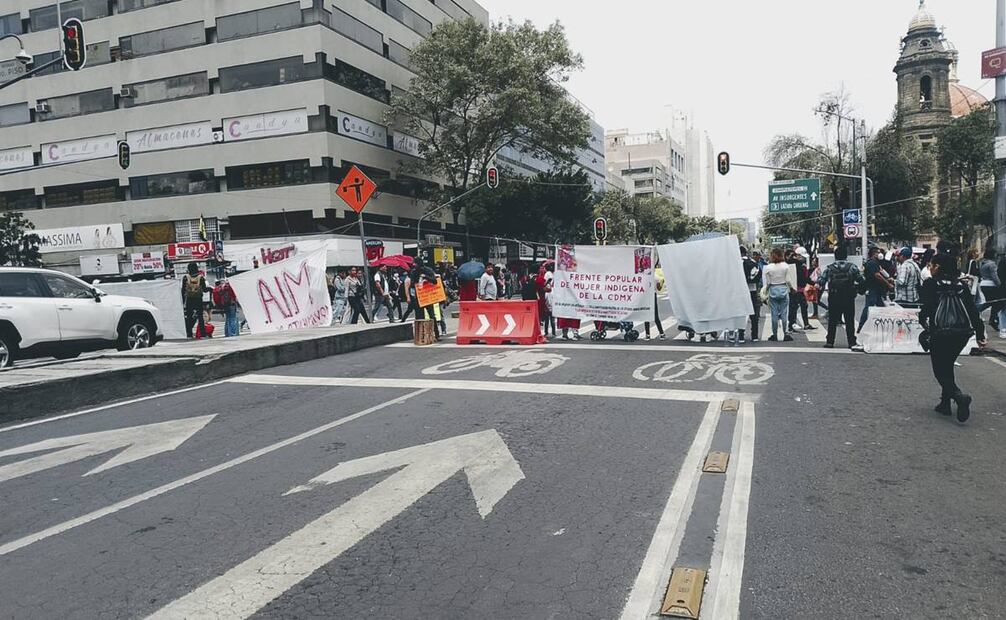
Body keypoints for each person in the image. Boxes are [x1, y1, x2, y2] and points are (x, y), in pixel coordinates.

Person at [919, 252, 986, 422]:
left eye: (931, 265)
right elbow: (972, 310)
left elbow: (927, 307)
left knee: (940, 371)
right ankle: (945, 404)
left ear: (937, 267)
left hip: (940, 332)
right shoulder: (961, 286)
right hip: (961, 334)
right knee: (947, 365)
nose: (930, 268)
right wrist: (980, 333)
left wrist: (923, 322)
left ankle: (958, 396)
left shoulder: (931, 283)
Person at [818, 245, 862, 349]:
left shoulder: (830, 268)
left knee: (832, 320)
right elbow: (861, 280)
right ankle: (851, 342)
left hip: (834, 296)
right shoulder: (852, 267)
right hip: (848, 297)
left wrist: (819, 276)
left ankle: (830, 341)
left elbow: (821, 281)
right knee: (849, 320)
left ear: (835, 256)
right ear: (846, 256)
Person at [760, 248, 796, 342]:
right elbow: (788, 280)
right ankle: (785, 334)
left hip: (773, 290)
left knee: (774, 314)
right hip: (783, 289)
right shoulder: (785, 266)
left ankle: (775, 335)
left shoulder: (768, 268)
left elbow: (768, 283)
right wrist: (792, 288)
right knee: (784, 313)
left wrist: (765, 291)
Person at [858, 246, 894, 332]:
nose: (880, 254)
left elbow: (881, 272)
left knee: (881, 307)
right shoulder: (872, 263)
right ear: (874, 254)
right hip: (872, 289)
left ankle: (884, 325)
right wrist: (888, 284)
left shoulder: (875, 263)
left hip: (877, 289)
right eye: (878, 252)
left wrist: (888, 278)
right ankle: (861, 326)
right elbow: (877, 275)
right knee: (869, 307)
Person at [788, 248, 814, 331]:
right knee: (796, 307)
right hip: (796, 289)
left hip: (798, 289)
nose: (803, 258)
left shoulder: (795, 264)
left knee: (798, 307)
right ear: (798, 255)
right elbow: (802, 277)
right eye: (802, 256)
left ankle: (797, 324)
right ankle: (793, 324)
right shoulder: (796, 265)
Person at [739, 247, 762, 343]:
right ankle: (754, 336)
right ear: (745, 253)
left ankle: (740, 336)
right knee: (753, 313)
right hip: (752, 289)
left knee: (740, 313)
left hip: (740, 291)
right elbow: (758, 275)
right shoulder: (752, 263)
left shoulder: (735, 263)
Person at [182, 263, 209, 339]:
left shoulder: (185, 277)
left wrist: (183, 301)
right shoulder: (200, 278)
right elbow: (204, 290)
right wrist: (210, 289)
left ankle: (189, 334)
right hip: (198, 299)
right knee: (200, 317)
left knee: (189, 317)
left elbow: (183, 290)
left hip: (189, 299)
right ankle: (203, 334)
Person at [979, 247, 1002, 331]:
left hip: (983, 284)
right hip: (991, 285)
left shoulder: (982, 263)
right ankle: (992, 318)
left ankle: (993, 318)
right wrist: (999, 284)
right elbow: (994, 276)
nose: (996, 255)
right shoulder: (992, 264)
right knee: (996, 302)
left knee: (991, 302)